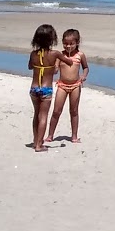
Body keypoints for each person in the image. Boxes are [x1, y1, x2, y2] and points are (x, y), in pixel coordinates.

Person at [46, 28, 89, 144]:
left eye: (71, 44)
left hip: (75, 85)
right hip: (62, 85)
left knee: (74, 111)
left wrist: (83, 76)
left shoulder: (80, 55)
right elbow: (55, 69)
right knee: (56, 111)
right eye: (65, 44)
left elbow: (86, 67)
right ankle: (50, 135)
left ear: (77, 43)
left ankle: (74, 136)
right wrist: (53, 69)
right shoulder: (60, 55)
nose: (68, 46)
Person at [28, 23, 59, 151]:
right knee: (44, 116)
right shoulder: (55, 54)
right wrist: (56, 63)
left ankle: (36, 141)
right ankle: (39, 145)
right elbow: (60, 68)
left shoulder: (33, 54)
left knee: (36, 114)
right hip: (46, 89)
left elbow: (30, 66)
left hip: (34, 89)